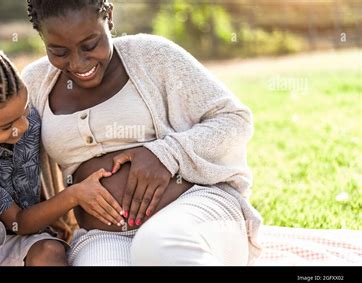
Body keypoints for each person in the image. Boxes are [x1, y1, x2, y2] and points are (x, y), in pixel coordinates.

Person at [23, 0, 263, 266]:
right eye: (59, 51)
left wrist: (165, 154)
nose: (78, 63)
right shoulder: (34, 84)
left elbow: (234, 119)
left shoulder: (153, 55)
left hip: (195, 209)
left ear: (109, 18)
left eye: (90, 45)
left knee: (156, 246)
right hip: (103, 235)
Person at [0, 42, 125, 266]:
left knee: (50, 250)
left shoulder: (29, 122)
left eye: (24, 110)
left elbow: (26, 186)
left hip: (15, 241)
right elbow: (18, 221)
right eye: (6, 126)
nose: (22, 126)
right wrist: (74, 195)